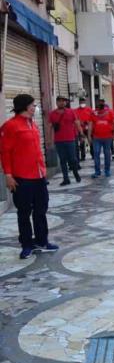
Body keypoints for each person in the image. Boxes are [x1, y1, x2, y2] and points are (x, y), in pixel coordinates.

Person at [1, 94, 58, 259]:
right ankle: (26, 244)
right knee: (24, 212)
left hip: (39, 176)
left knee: (41, 210)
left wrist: (43, 169)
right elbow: (5, 153)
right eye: (33, 105)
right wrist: (8, 175)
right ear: (25, 106)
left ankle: (42, 241)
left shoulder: (32, 124)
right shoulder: (10, 126)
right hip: (21, 177)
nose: (36, 108)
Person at [49, 96, 82, 186]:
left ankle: (76, 173)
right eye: (59, 101)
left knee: (73, 159)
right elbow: (51, 128)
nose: (62, 103)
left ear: (66, 103)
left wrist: (81, 134)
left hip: (70, 139)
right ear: (56, 102)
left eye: (63, 101)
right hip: (59, 141)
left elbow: (77, 123)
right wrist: (51, 141)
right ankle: (66, 178)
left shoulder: (71, 112)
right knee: (63, 160)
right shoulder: (52, 114)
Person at [89, 99, 114, 178]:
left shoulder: (110, 112)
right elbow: (90, 124)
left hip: (107, 137)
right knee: (96, 153)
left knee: (107, 154)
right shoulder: (93, 113)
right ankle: (97, 171)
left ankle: (107, 170)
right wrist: (89, 136)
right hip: (96, 137)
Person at [74, 97, 93, 162]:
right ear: (79, 102)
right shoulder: (76, 110)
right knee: (82, 143)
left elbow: (92, 118)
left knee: (91, 141)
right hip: (80, 129)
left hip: (88, 128)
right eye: (81, 102)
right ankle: (82, 156)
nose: (82, 103)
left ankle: (93, 154)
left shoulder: (89, 110)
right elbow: (75, 119)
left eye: (83, 102)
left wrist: (88, 122)